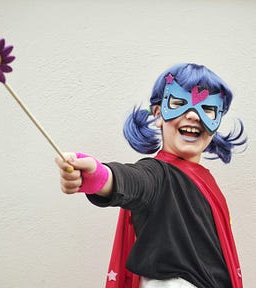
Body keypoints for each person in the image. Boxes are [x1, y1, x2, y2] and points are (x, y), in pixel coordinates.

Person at [55, 63, 246, 288]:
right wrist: (97, 176)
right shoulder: (158, 174)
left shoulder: (206, 181)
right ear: (158, 115)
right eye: (178, 103)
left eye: (208, 109)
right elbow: (135, 180)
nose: (194, 116)